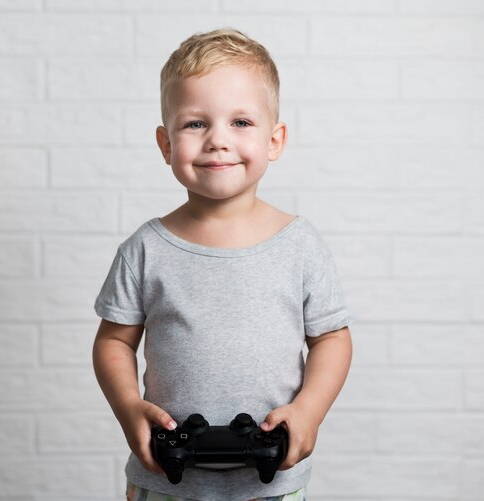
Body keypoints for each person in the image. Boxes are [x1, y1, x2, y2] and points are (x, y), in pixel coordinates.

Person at [93, 28, 354, 501]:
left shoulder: (300, 246)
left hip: (272, 481)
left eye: (240, 122)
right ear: (166, 144)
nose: (217, 140)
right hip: (165, 479)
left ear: (274, 140)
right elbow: (113, 340)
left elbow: (331, 339)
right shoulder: (145, 249)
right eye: (195, 124)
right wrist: (129, 407)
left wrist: (309, 410)